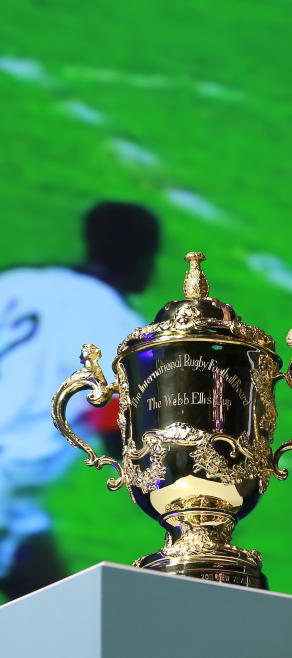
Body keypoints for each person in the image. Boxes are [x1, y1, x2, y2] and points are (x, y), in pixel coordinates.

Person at [0, 201, 159, 601]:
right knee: (52, 628)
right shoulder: (125, 336)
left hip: (15, 503)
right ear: (143, 261)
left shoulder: (17, 284)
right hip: (6, 480)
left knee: (51, 611)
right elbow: (121, 440)